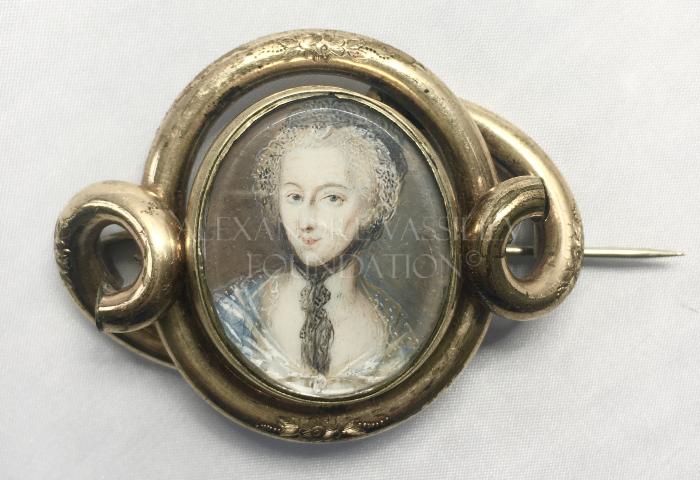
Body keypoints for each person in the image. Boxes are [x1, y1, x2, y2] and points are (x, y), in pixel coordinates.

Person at [213, 105, 418, 397]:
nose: (307, 221)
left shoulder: (394, 335)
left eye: (332, 198)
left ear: (371, 207)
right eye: (294, 196)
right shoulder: (234, 313)